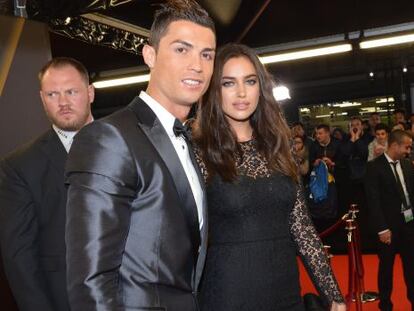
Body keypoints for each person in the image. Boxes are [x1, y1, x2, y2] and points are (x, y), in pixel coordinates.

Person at [64, 1, 216, 310]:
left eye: (207, 54)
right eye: (181, 49)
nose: (197, 66)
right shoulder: (109, 138)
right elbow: (90, 281)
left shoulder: (189, 140)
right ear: (150, 55)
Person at [192, 43, 345, 311]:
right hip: (227, 294)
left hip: (285, 291)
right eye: (229, 83)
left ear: (260, 87)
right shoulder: (200, 153)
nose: (241, 93)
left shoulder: (278, 146)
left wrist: (332, 293)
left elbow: (302, 228)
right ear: (214, 90)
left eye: (249, 81)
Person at [0, 57, 94, 311]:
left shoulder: (128, 146)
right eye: (53, 94)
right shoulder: (20, 166)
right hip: (65, 301)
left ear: (90, 92)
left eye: (71, 92)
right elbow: (19, 258)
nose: (63, 102)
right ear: (42, 99)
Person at [364, 129, 414, 311]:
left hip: (409, 225)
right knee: (386, 268)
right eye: (406, 147)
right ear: (394, 145)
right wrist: (382, 229)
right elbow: (373, 200)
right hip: (388, 229)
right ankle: (385, 304)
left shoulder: (408, 165)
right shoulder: (374, 167)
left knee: (412, 267)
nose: (408, 151)